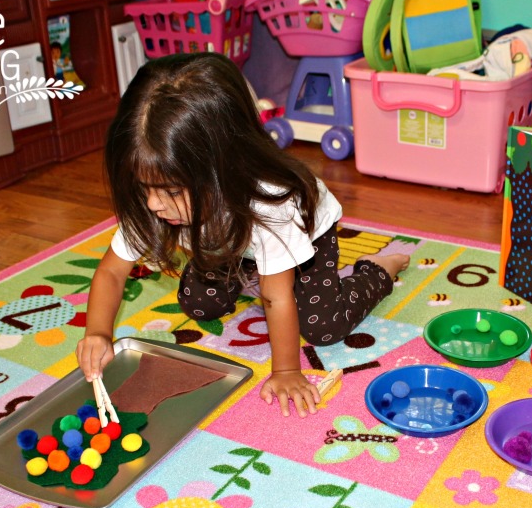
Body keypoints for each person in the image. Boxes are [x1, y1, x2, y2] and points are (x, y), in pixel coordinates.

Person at [76, 53, 409, 418]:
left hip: (307, 242)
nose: (154, 203)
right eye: (144, 188)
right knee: (199, 304)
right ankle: (253, 271)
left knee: (324, 328)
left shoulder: (271, 204)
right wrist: (97, 333)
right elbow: (111, 272)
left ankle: (378, 269)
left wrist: (285, 372)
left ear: (222, 171)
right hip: (232, 247)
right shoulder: (158, 190)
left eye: (171, 191)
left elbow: (276, 298)